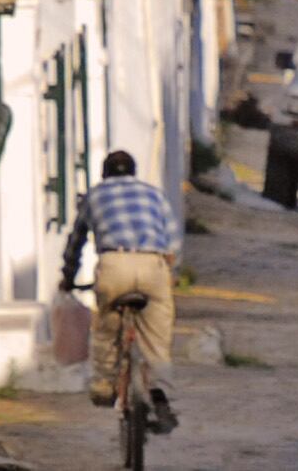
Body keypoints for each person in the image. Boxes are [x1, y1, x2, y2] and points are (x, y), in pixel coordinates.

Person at [59, 150, 181, 435]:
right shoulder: (154, 195)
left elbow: (75, 242)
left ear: (104, 173)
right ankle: (160, 393)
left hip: (114, 265)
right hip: (153, 263)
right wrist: (169, 273)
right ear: (133, 173)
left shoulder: (94, 195)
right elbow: (173, 239)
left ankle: (103, 385)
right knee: (157, 336)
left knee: (106, 328)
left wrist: (68, 277)